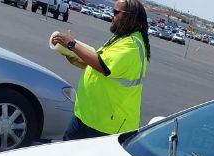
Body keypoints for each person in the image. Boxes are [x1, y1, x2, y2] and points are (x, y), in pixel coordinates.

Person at [51, 0, 150, 141]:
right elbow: (100, 64)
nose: (112, 15)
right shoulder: (120, 39)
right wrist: (77, 59)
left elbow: (103, 66)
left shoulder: (132, 46)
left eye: (116, 12)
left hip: (107, 127)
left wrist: (72, 44)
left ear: (131, 17)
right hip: (86, 116)